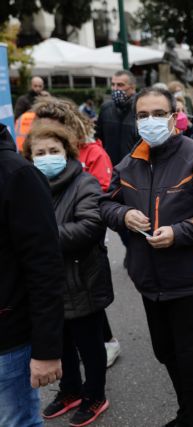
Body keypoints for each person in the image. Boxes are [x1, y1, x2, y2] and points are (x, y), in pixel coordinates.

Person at [100, 87, 193, 427]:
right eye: (143, 115)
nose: (151, 121)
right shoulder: (132, 159)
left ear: (175, 115)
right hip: (149, 280)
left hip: (191, 280)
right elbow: (105, 203)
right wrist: (124, 216)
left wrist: (179, 232)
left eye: (158, 114)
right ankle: (187, 414)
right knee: (167, 354)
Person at [22, 123, 113, 426]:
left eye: (54, 151)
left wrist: (38, 237)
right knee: (60, 342)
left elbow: (89, 226)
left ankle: (95, 394)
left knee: (89, 344)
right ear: (30, 156)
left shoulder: (83, 182)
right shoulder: (28, 184)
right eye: (40, 153)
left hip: (82, 280)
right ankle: (70, 390)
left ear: (67, 152)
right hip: (46, 285)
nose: (47, 157)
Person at [30, 98, 121, 368]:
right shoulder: (36, 162)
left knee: (85, 300)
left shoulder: (90, 154)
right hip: (57, 244)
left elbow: (99, 195)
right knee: (66, 312)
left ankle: (105, 343)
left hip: (82, 235)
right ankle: (71, 379)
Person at [0, 123, 65, 427]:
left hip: (8, 342)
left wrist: (46, 351)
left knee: (18, 421)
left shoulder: (17, 175)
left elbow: (45, 268)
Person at [96, 70, 138, 166]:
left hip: (134, 167)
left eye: (120, 85)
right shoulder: (106, 108)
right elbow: (99, 138)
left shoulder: (141, 109)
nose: (115, 88)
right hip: (110, 167)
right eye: (113, 84)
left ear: (132, 87)